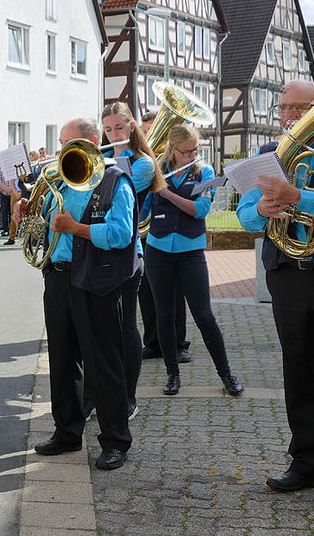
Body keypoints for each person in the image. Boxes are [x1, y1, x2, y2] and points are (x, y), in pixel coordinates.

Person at [238, 78, 314, 514]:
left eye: (296, 108)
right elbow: (247, 213)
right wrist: (263, 210)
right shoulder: (268, 155)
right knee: (298, 370)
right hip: (288, 274)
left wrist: (297, 196)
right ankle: (307, 463)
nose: (288, 117)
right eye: (283, 108)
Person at [18, 116, 136, 470]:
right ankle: (67, 431)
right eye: (61, 145)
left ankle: (115, 440)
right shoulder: (57, 178)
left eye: (69, 145)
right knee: (63, 360)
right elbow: (40, 226)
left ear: (92, 142)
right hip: (57, 277)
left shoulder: (116, 181)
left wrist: (77, 228)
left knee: (103, 363)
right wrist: (27, 212)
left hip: (96, 281)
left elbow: (120, 234)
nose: (62, 152)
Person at [144, 124, 243, 398]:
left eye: (195, 150)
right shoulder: (156, 170)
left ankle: (227, 374)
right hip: (158, 249)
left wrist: (165, 193)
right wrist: (143, 187)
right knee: (164, 315)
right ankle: (172, 375)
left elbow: (199, 210)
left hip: (190, 251)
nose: (192, 155)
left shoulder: (205, 172)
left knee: (204, 315)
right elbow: (141, 209)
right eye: (187, 151)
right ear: (172, 149)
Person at [100, 102, 166, 420]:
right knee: (98, 329)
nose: (114, 133)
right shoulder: (99, 157)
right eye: (108, 129)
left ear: (132, 127)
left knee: (126, 326)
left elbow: (111, 190)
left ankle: (128, 397)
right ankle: (95, 395)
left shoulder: (142, 164)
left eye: (119, 128)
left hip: (128, 252)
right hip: (95, 252)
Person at [137, 110, 190, 362]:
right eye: (145, 132)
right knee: (145, 290)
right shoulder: (139, 162)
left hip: (170, 231)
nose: (150, 137)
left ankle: (178, 344)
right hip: (144, 232)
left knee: (172, 290)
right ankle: (153, 342)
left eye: (154, 132)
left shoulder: (176, 165)